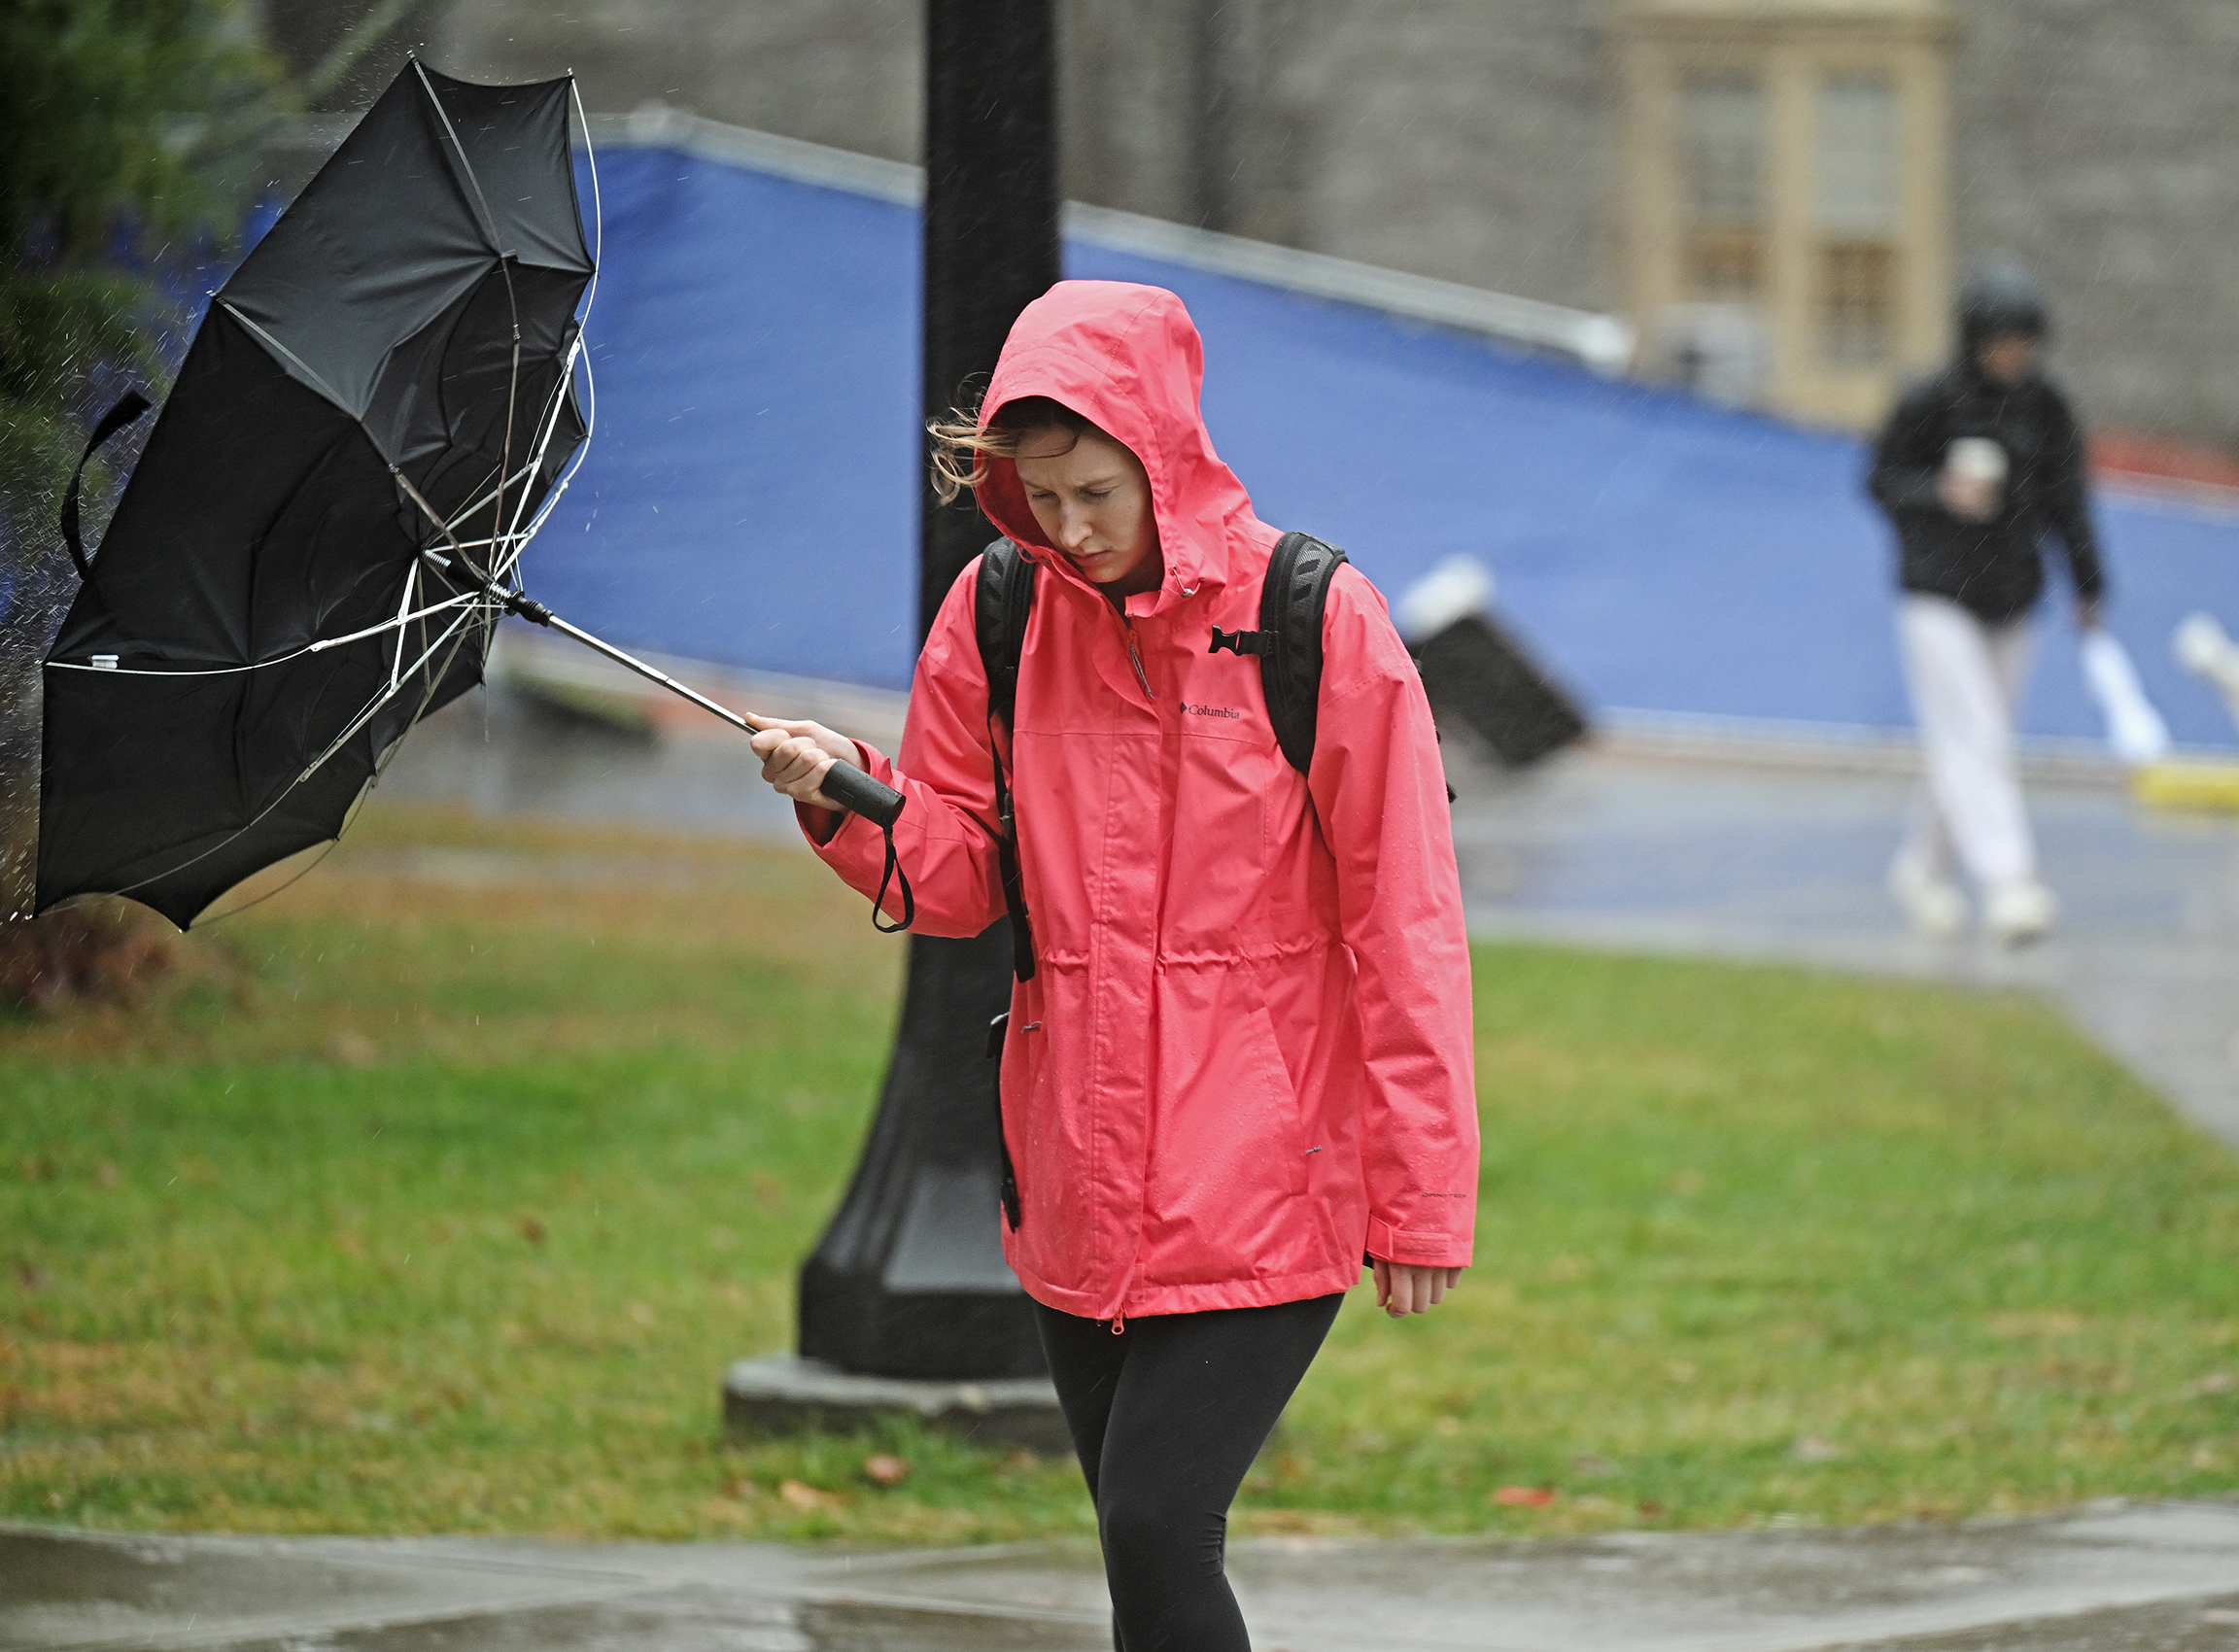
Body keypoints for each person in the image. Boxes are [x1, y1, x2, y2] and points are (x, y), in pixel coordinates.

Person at [745, 280, 1479, 1650]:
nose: (1070, 530)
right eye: (1038, 495)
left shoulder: (1318, 616)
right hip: (1074, 1174)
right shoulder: (1001, 611)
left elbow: (1407, 919)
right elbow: (959, 880)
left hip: (1267, 1176)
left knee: (1156, 1522)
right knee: (1140, 1556)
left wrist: (1424, 1194)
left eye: (1092, 490)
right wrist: (854, 795)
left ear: (1162, 451)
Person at [1867, 261, 2106, 946]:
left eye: (2023, 341)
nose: (2013, 354)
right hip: (1937, 590)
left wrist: (2088, 584)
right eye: (2001, 339)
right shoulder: (1931, 400)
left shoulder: (2046, 407)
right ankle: (2010, 881)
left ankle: (1921, 866)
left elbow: (2068, 499)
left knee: (1975, 740)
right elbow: (1882, 479)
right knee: (1974, 733)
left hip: (2012, 591)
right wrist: (1940, 494)